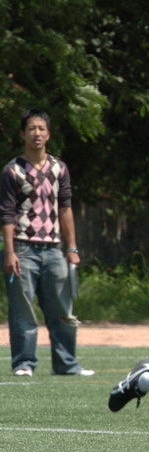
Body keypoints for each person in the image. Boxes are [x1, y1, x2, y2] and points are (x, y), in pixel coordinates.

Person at [1, 108, 93, 377]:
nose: (37, 133)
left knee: (63, 309)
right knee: (23, 311)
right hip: (22, 247)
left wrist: (71, 248)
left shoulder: (58, 168)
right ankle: (24, 363)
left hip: (54, 249)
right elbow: (6, 214)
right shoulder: (12, 170)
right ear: (22, 134)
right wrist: (9, 252)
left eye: (41, 128)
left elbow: (65, 208)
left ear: (49, 134)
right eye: (31, 128)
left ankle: (67, 364)